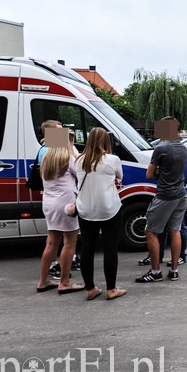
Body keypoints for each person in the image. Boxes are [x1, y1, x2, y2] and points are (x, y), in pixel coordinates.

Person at [75, 127, 127, 300]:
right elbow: (120, 177)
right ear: (106, 141)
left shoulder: (79, 160)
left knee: (87, 248)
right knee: (110, 248)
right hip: (109, 208)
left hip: (85, 209)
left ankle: (90, 289)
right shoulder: (113, 160)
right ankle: (111, 289)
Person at [136, 117, 187, 283]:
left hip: (165, 195)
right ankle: (174, 270)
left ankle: (156, 272)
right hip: (181, 195)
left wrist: (159, 172)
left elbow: (149, 174)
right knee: (175, 230)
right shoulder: (183, 148)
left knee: (150, 231)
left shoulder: (161, 148)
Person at [37, 128, 84, 294]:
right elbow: (81, 174)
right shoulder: (68, 158)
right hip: (66, 204)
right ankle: (64, 282)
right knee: (69, 242)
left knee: (51, 242)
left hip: (49, 203)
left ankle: (43, 280)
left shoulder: (46, 159)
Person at [138, 156, 187, 265]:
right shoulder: (169, 151)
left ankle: (180, 256)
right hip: (170, 194)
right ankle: (159, 257)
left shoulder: (182, 154)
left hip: (174, 195)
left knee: (178, 227)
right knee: (167, 228)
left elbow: (183, 178)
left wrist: (161, 175)